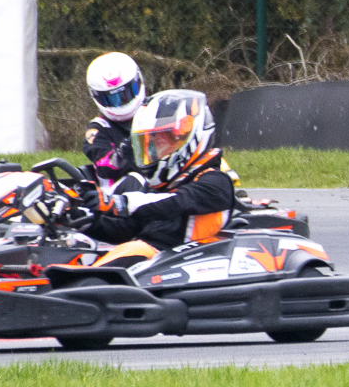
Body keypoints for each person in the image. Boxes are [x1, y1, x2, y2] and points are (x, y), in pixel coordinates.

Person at [84, 89, 238, 251]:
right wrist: (85, 221)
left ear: (187, 138)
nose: (152, 152)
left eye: (160, 143)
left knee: (136, 250)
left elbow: (175, 202)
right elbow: (126, 229)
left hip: (185, 258)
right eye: (148, 144)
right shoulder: (161, 187)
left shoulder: (216, 182)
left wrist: (119, 202)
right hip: (152, 258)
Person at [81, 51, 145, 177]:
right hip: (122, 185)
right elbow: (104, 166)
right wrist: (129, 147)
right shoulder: (98, 130)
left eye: (126, 94)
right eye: (113, 99)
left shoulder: (153, 111)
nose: (122, 102)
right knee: (135, 179)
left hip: (160, 181)